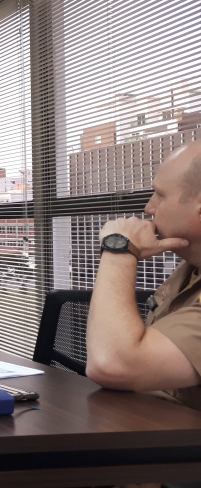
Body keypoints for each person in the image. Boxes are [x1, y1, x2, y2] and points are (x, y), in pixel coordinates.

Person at [86, 141, 201, 411]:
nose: (149, 208)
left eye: (160, 195)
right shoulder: (191, 267)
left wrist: (119, 248)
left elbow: (112, 363)